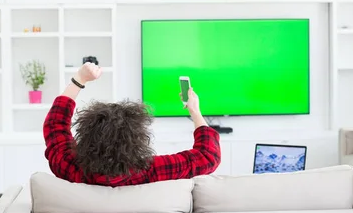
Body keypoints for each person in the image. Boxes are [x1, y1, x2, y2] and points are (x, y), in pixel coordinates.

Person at [43, 62, 221, 186]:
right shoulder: (153, 172)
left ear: (87, 137)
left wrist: (79, 79)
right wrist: (195, 112)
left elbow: (55, 125)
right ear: (137, 139)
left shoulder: (71, 169)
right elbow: (208, 156)